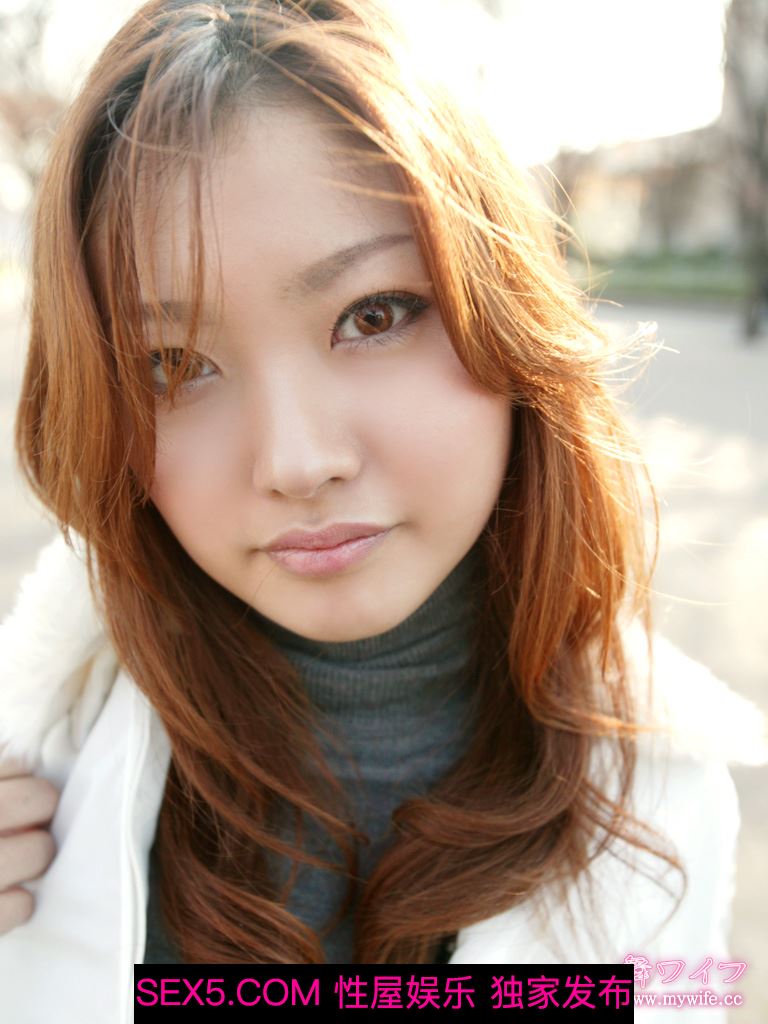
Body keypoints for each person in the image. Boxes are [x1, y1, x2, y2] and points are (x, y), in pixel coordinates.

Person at [0, 0, 765, 1019]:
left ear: (502, 311)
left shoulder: (667, 802)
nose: (297, 461)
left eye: (373, 315)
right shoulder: (35, 773)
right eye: (172, 365)